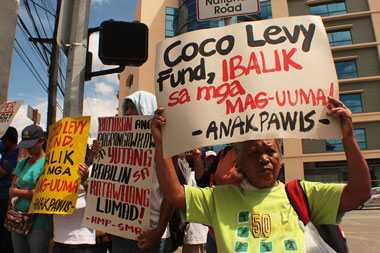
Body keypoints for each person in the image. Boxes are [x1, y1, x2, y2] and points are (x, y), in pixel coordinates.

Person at [151, 96, 371, 252]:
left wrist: (348, 137)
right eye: (254, 153)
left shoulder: (302, 193)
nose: (264, 158)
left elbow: (359, 193)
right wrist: (161, 143)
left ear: (280, 158)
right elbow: (174, 194)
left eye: (270, 151)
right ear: (239, 163)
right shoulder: (219, 198)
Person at [112, 90, 173, 253]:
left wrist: (158, 230)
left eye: (135, 107)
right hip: (121, 234)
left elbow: (171, 193)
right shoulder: (119, 145)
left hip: (152, 236)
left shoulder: (163, 145)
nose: (130, 112)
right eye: (128, 108)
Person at [52, 140, 102, 253]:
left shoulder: (92, 170)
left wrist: (85, 182)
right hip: (59, 238)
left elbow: (97, 204)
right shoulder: (57, 172)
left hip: (82, 239)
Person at [9, 124, 52, 253]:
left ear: (41, 141)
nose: (28, 148)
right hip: (17, 218)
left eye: (32, 144)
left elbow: (41, 193)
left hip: (38, 222)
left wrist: (16, 191)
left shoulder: (48, 163)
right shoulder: (22, 163)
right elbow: (12, 186)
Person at [0, 126, 19, 253]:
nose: (2, 143)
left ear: (9, 141)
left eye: (4, 140)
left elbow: (2, 173)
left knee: (5, 231)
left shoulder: (16, 155)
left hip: (5, 198)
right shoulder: (6, 150)